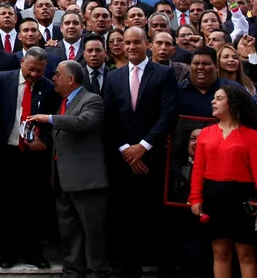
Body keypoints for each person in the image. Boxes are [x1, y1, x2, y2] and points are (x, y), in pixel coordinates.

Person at [103, 26, 179, 277]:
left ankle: (164, 269)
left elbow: (168, 113)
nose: (132, 47)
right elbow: (109, 117)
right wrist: (127, 149)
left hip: (153, 157)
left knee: (157, 216)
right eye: (127, 43)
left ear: (147, 44)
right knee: (125, 218)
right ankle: (128, 269)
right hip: (123, 160)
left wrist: (143, 146)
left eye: (137, 42)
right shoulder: (113, 77)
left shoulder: (164, 74)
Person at [27, 60, 109, 277]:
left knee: (93, 232)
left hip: (87, 181)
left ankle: (96, 273)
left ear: (70, 79)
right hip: (63, 181)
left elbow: (84, 122)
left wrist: (50, 119)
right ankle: (72, 272)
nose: (53, 78)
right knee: (70, 232)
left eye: (57, 74)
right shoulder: (61, 103)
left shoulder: (92, 100)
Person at [0, 46, 60, 269]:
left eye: (40, 71)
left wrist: (45, 142)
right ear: (22, 62)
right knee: (6, 206)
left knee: (33, 207)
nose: (34, 75)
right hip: (6, 152)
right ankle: (8, 254)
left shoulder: (49, 88)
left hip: (33, 157)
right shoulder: (2, 80)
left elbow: (54, 124)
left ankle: (34, 253)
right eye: (31, 69)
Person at [190, 85, 257, 278]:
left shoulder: (252, 136)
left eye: (219, 98)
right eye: (214, 98)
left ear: (233, 104)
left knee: (246, 254)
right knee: (220, 252)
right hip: (214, 196)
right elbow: (198, 170)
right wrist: (195, 198)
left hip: (243, 197)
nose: (213, 101)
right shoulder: (206, 133)